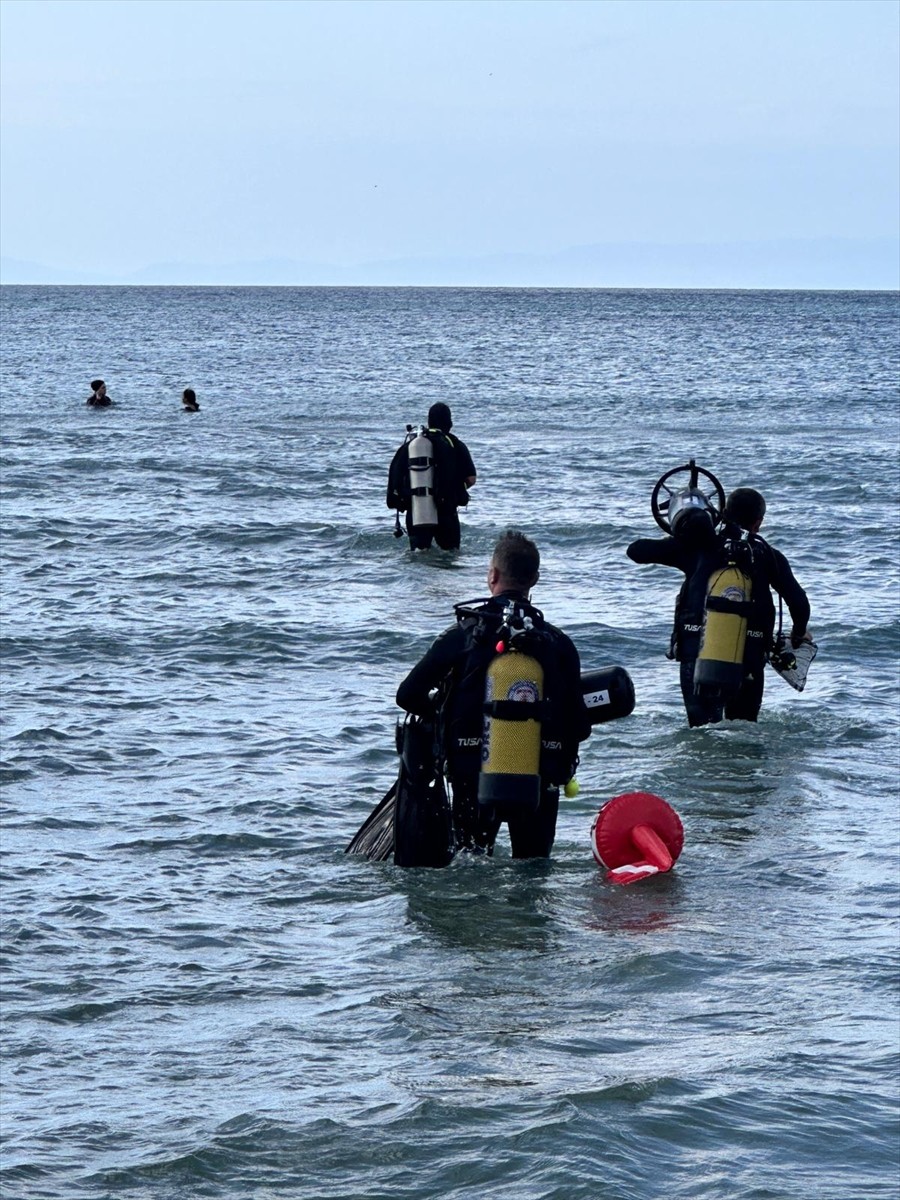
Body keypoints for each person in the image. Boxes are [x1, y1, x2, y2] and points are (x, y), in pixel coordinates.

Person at [396, 530, 592, 857]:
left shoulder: (463, 634)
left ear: (493, 575)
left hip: (472, 773)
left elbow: (407, 695)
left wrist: (443, 712)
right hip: (538, 778)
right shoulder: (558, 645)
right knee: (533, 869)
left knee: (471, 861)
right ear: (535, 579)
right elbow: (580, 727)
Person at [627, 486, 812, 727]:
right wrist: (798, 633)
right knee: (742, 732)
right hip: (749, 659)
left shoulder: (695, 547)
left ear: (721, 512)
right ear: (758, 523)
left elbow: (636, 551)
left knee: (701, 731)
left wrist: (682, 532)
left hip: (696, 654)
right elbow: (799, 603)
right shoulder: (768, 555)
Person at [386, 402, 476, 550]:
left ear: (429, 422)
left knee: (419, 555)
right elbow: (471, 478)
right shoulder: (455, 444)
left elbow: (395, 480)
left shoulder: (411, 446)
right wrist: (456, 489)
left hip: (417, 511)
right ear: (449, 423)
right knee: (450, 555)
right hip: (447, 513)